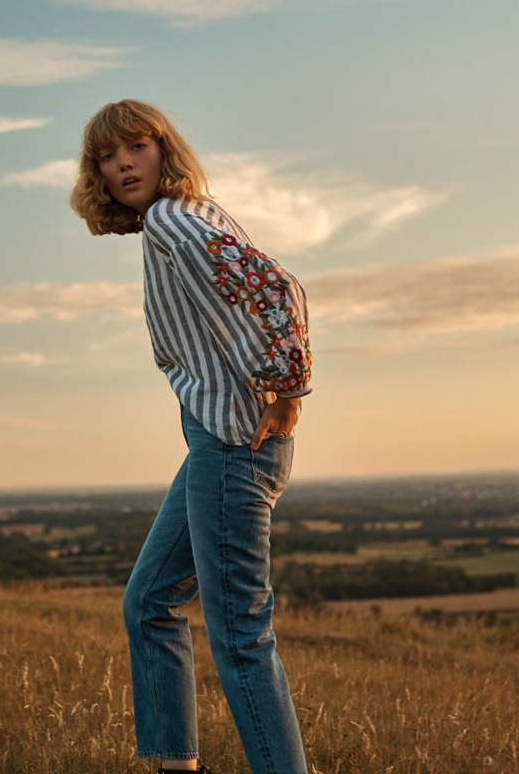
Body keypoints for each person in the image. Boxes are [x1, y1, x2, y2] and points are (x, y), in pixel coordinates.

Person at [71, 99, 312, 774]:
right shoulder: (181, 219)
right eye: (107, 157)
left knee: (240, 641)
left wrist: (290, 389)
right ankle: (173, 763)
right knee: (148, 603)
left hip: (234, 445)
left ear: (163, 150)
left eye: (136, 147)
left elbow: (278, 290)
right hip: (218, 441)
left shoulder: (175, 221)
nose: (122, 163)